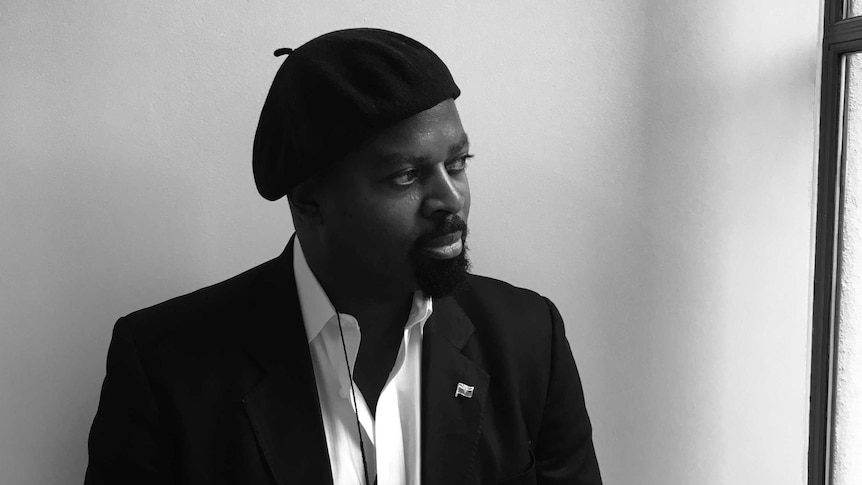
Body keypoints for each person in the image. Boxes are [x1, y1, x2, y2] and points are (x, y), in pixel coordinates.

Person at [84, 28, 602, 485]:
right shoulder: (165, 366)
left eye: (457, 163)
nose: (451, 199)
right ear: (309, 201)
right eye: (406, 175)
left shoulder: (529, 338)